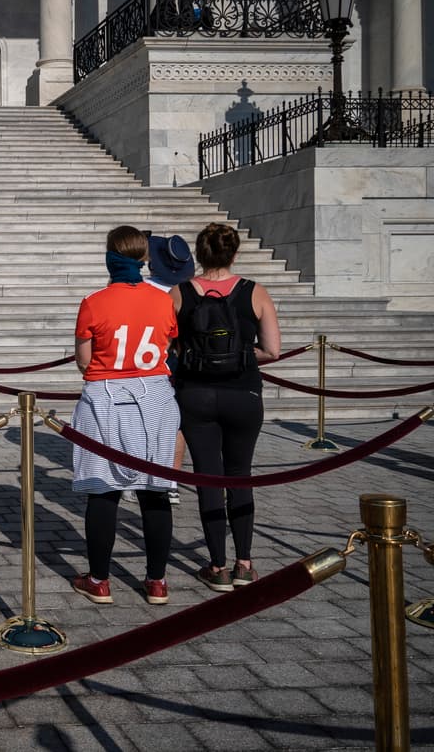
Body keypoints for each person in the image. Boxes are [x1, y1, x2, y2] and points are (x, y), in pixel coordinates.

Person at [70, 226, 179, 606]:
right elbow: (167, 342)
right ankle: (157, 581)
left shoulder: (94, 301)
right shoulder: (163, 299)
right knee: (156, 492)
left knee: (103, 492)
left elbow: (84, 360)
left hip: (106, 397)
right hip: (155, 398)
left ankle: (100, 579)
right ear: (143, 257)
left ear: (110, 256)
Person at [170, 223, 281, 592]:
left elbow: (167, 345)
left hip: (196, 393)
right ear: (234, 254)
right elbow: (273, 350)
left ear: (198, 254)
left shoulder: (179, 292)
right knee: (240, 475)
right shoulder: (255, 292)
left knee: (209, 479)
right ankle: (244, 563)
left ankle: (217, 566)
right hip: (243, 393)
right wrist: (239, 356)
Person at [145, 233, 197, 506]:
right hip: (180, 360)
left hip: (149, 362)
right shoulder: (189, 290)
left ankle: (142, 476)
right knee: (176, 424)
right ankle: (171, 482)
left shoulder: (142, 288)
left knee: (144, 422)